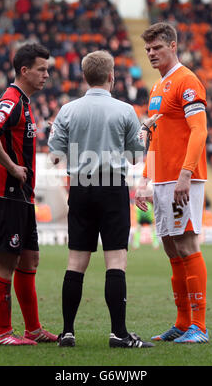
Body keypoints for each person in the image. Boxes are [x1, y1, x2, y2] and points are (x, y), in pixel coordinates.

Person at [48, 50, 161, 348]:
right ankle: (118, 334)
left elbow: (55, 154)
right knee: (116, 261)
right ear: (111, 76)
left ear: (85, 77)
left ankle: (68, 332)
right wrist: (144, 132)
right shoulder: (124, 111)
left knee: (75, 262)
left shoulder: (68, 110)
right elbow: (136, 156)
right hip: (112, 187)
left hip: (81, 188)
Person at [0, 43, 57, 346]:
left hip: (22, 194)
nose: (47, 75)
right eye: (41, 69)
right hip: (5, 191)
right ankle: (3, 333)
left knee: (30, 258)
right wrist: (12, 167)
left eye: (47, 70)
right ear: (24, 71)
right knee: (7, 260)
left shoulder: (24, 102)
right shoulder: (11, 100)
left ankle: (33, 329)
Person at [135, 23, 209, 343]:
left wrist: (185, 173)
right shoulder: (156, 89)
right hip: (162, 179)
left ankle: (200, 325)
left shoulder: (187, 81)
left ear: (173, 46)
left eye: (157, 48)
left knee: (187, 244)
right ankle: (182, 322)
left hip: (183, 178)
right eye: (148, 49)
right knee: (170, 247)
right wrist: (143, 180)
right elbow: (153, 140)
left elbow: (199, 131)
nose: (151, 53)